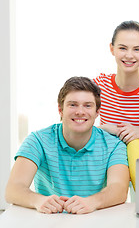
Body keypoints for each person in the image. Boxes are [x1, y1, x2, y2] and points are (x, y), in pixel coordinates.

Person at [5, 77, 129, 214]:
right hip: (50, 219)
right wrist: (37, 200)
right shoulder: (38, 140)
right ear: (60, 110)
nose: (80, 111)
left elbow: (119, 189)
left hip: (95, 219)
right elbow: (13, 189)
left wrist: (91, 202)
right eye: (73, 105)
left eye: (88, 105)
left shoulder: (114, 146)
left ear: (97, 112)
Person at [94, 20, 139, 144]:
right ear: (112, 49)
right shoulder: (99, 85)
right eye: (122, 48)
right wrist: (105, 128)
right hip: (107, 160)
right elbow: (76, 122)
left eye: (137, 49)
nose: (129, 55)